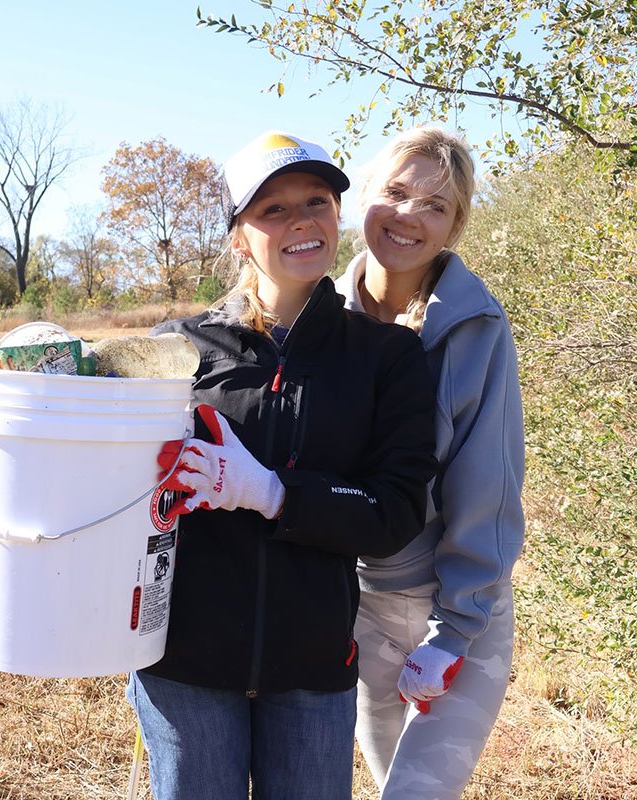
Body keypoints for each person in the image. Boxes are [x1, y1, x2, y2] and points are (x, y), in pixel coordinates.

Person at [129, 130, 439, 800]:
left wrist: (273, 493)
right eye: (272, 209)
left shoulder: (385, 357)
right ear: (239, 236)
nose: (301, 220)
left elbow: (395, 513)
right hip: (183, 666)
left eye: (317, 201)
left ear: (337, 217)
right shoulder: (179, 351)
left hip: (313, 669)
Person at [333, 125, 526, 798]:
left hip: (459, 617)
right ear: (367, 197)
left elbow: (488, 486)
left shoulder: (478, 327)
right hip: (361, 609)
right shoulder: (320, 317)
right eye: (396, 191)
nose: (409, 215)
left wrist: (452, 634)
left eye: (435, 205)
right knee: (390, 783)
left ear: (455, 226)